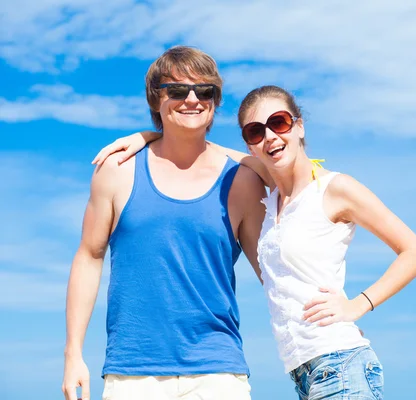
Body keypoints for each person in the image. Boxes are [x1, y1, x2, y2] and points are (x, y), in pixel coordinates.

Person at [96, 85, 416, 399]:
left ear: (299, 126)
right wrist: (153, 137)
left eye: (279, 123)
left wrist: (358, 304)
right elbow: (214, 154)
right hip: (305, 371)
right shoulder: (270, 200)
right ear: (249, 144)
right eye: (255, 132)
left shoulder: (334, 189)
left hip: (341, 362)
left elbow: (415, 252)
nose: (270, 136)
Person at [61, 46, 267, 400]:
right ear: (156, 99)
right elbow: (89, 257)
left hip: (218, 372)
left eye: (204, 92)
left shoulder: (244, 182)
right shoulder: (116, 171)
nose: (192, 99)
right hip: (131, 373)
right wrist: (73, 355)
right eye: (176, 90)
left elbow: (273, 270)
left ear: (215, 102)